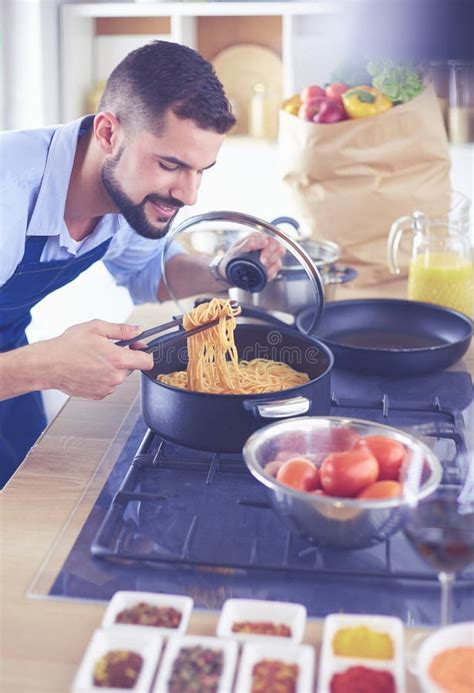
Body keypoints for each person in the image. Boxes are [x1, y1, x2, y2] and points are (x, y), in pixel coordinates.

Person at [0, 40, 284, 487]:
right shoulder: (7, 194)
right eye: (171, 165)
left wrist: (222, 268)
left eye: (202, 170)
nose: (189, 195)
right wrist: (47, 367)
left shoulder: (127, 194)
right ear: (109, 133)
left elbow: (148, 274)